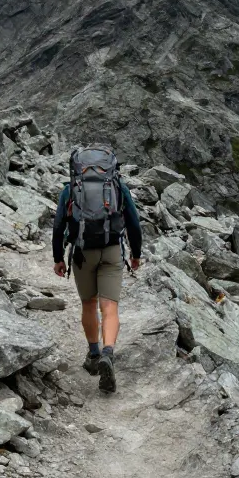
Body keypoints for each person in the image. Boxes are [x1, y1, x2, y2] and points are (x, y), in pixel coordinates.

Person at [52, 148, 143, 393]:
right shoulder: (118, 187)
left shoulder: (70, 189)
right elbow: (133, 223)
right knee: (110, 306)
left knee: (89, 304)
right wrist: (135, 254)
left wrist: (58, 258)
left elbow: (59, 225)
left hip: (82, 253)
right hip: (112, 250)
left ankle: (93, 353)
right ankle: (108, 353)